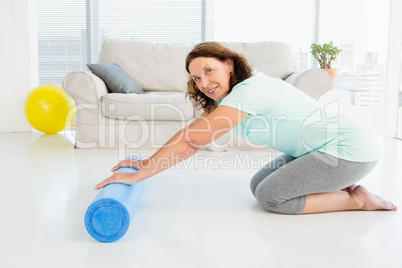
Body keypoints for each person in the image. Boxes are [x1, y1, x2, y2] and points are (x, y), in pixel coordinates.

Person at [95, 42, 397, 215]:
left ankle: (356, 199)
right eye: (197, 78)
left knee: (271, 198)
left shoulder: (250, 91)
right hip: (320, 150)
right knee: (257, 185)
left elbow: (192, 144)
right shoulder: (234, 97)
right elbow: (188, 134)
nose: (204, 82)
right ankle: (337, 183)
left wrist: (143, 176)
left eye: (208, 70)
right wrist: (147, 162)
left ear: (228, 64)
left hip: (350, 151)